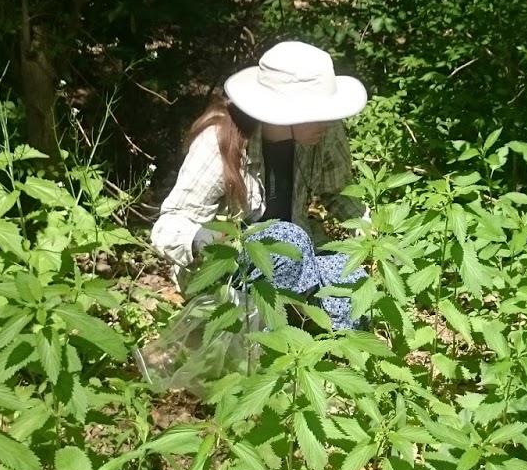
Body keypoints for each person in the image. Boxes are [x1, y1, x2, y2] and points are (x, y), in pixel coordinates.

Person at [150, 41, 369, 331]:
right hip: (232, 267)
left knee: (353, 283)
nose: (327, 122)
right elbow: (168, 225)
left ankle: (325, 352)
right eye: (317, 113)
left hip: (296, 259)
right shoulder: (220, 141)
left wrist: (370, 232)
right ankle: (262, 345)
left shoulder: (324, 134)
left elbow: (338, 193)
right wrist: (205, 239)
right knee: (287, 240)